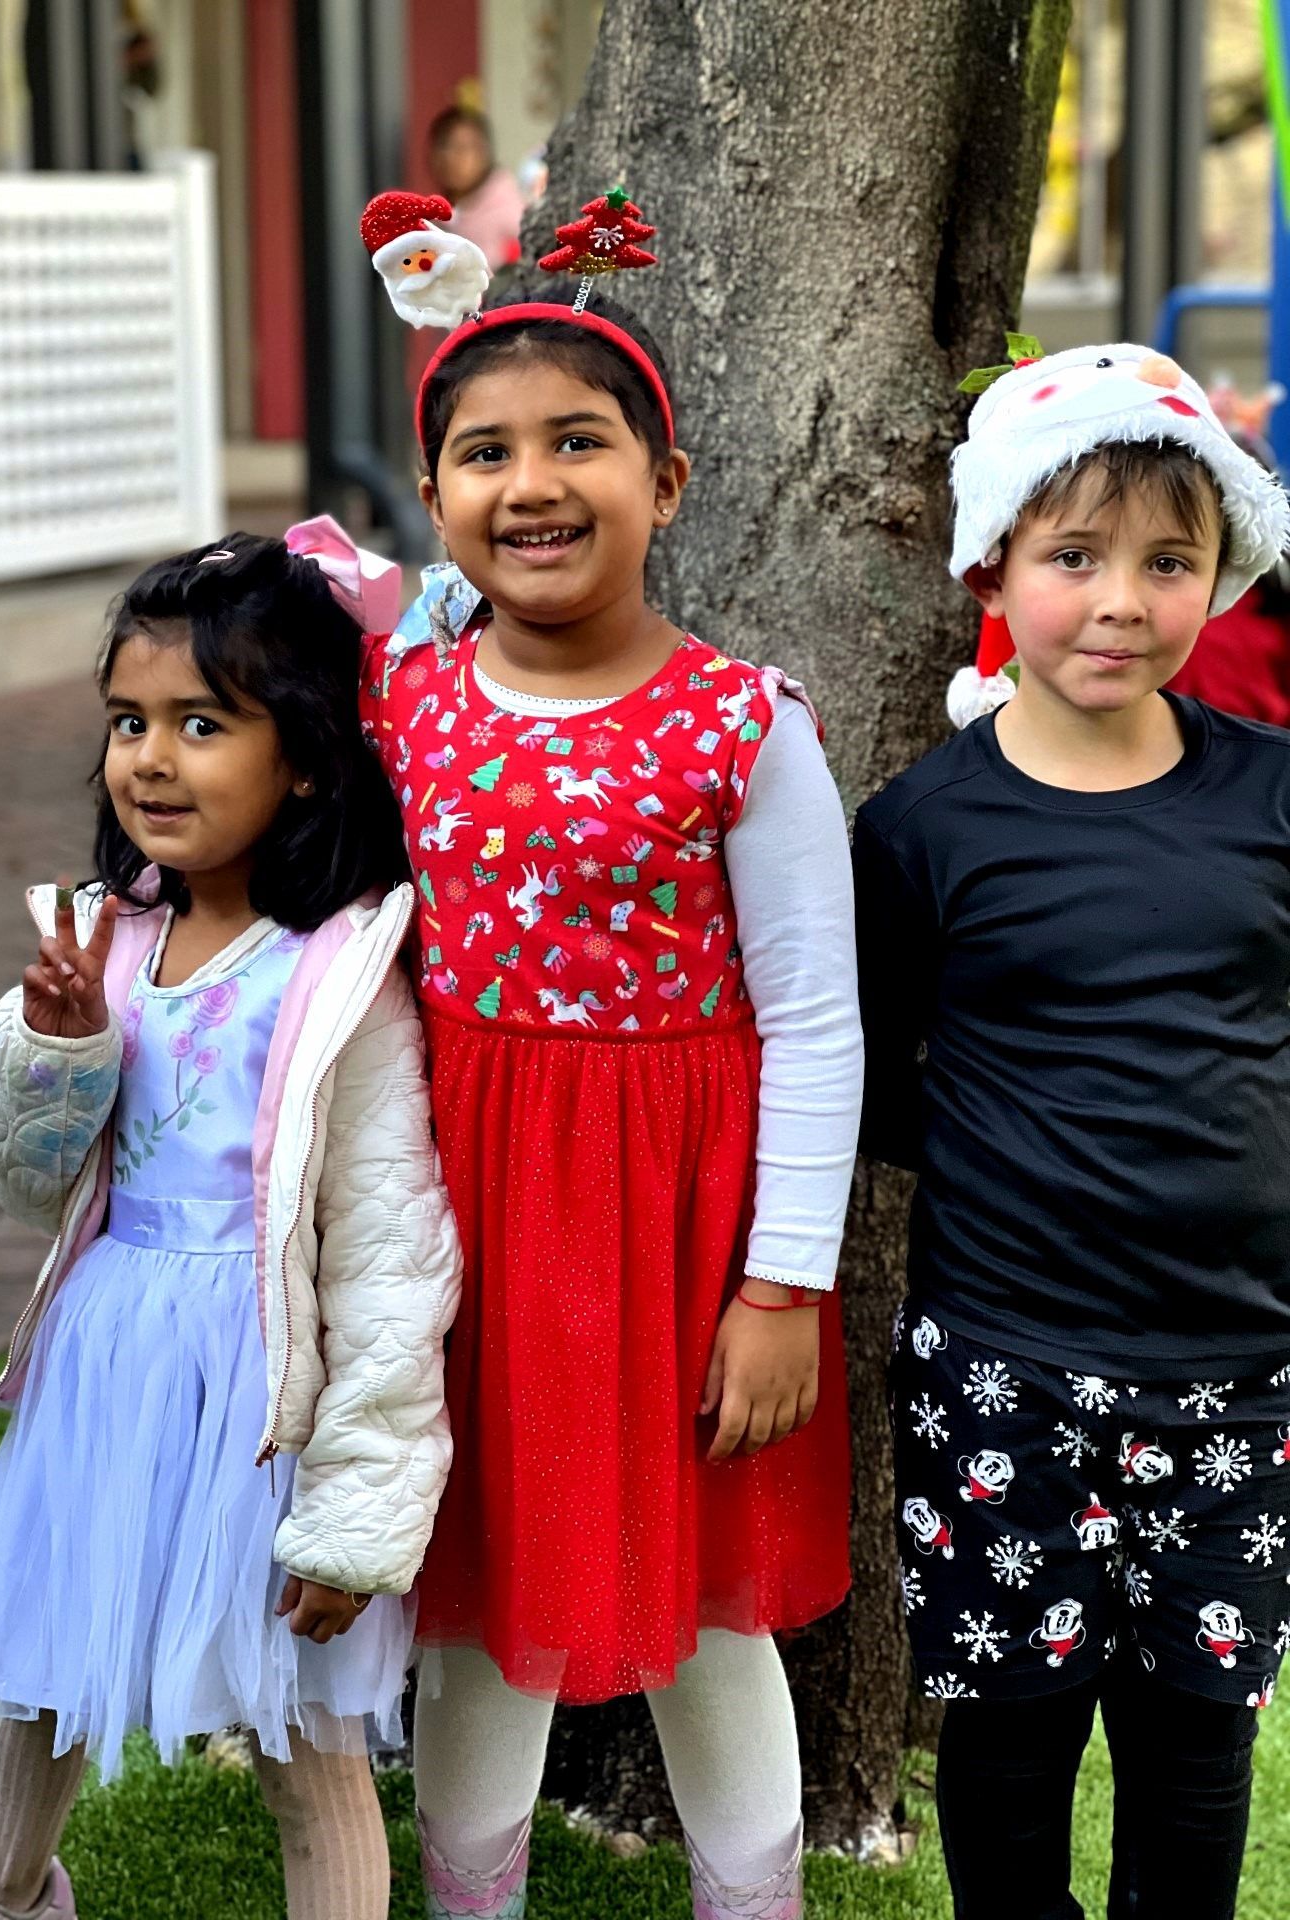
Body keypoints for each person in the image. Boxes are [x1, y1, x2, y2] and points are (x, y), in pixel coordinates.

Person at [358, 191, 864, 1920]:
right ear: (435, 501)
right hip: (471, 1221)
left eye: (581, 440)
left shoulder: (743, 721)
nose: (534, 483)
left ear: (669, 478)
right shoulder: (403, 707)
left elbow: (813, 1016)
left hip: (678, 1227)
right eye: (485, 452)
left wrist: (783, 1285)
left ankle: (756, 1896)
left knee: (705, 1608)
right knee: (484, 1598)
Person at [0, 527, 462, 1920]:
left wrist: (355, 1518)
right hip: (103, 1370)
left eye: (202, 724)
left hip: (256, 1403)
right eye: (129, 722)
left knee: (299, 1736)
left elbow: (394, 1255)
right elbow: (27, 1177)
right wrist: (62, 1049)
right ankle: (8, 1889)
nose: (150, 757)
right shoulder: (103, 944)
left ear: (311, 758)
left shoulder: (342, 981)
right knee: (42, 1665)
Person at [855, 342, 1290, 1920]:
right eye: (1076, 557)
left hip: (1242, 1367)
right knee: (1013, 1736)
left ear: (1217, 576)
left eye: (1167, 561)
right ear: (998, 565)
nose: (1120, 601)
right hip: (1004, 1364)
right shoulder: (923, 829)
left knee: (1194, 1739)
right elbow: (891, 1084)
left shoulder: (1269, 797)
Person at [425, 105, 524, 272]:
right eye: (443, 146)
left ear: (484, 154)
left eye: (462, 148)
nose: (451, 158)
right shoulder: (439, 217)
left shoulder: (511, 214)